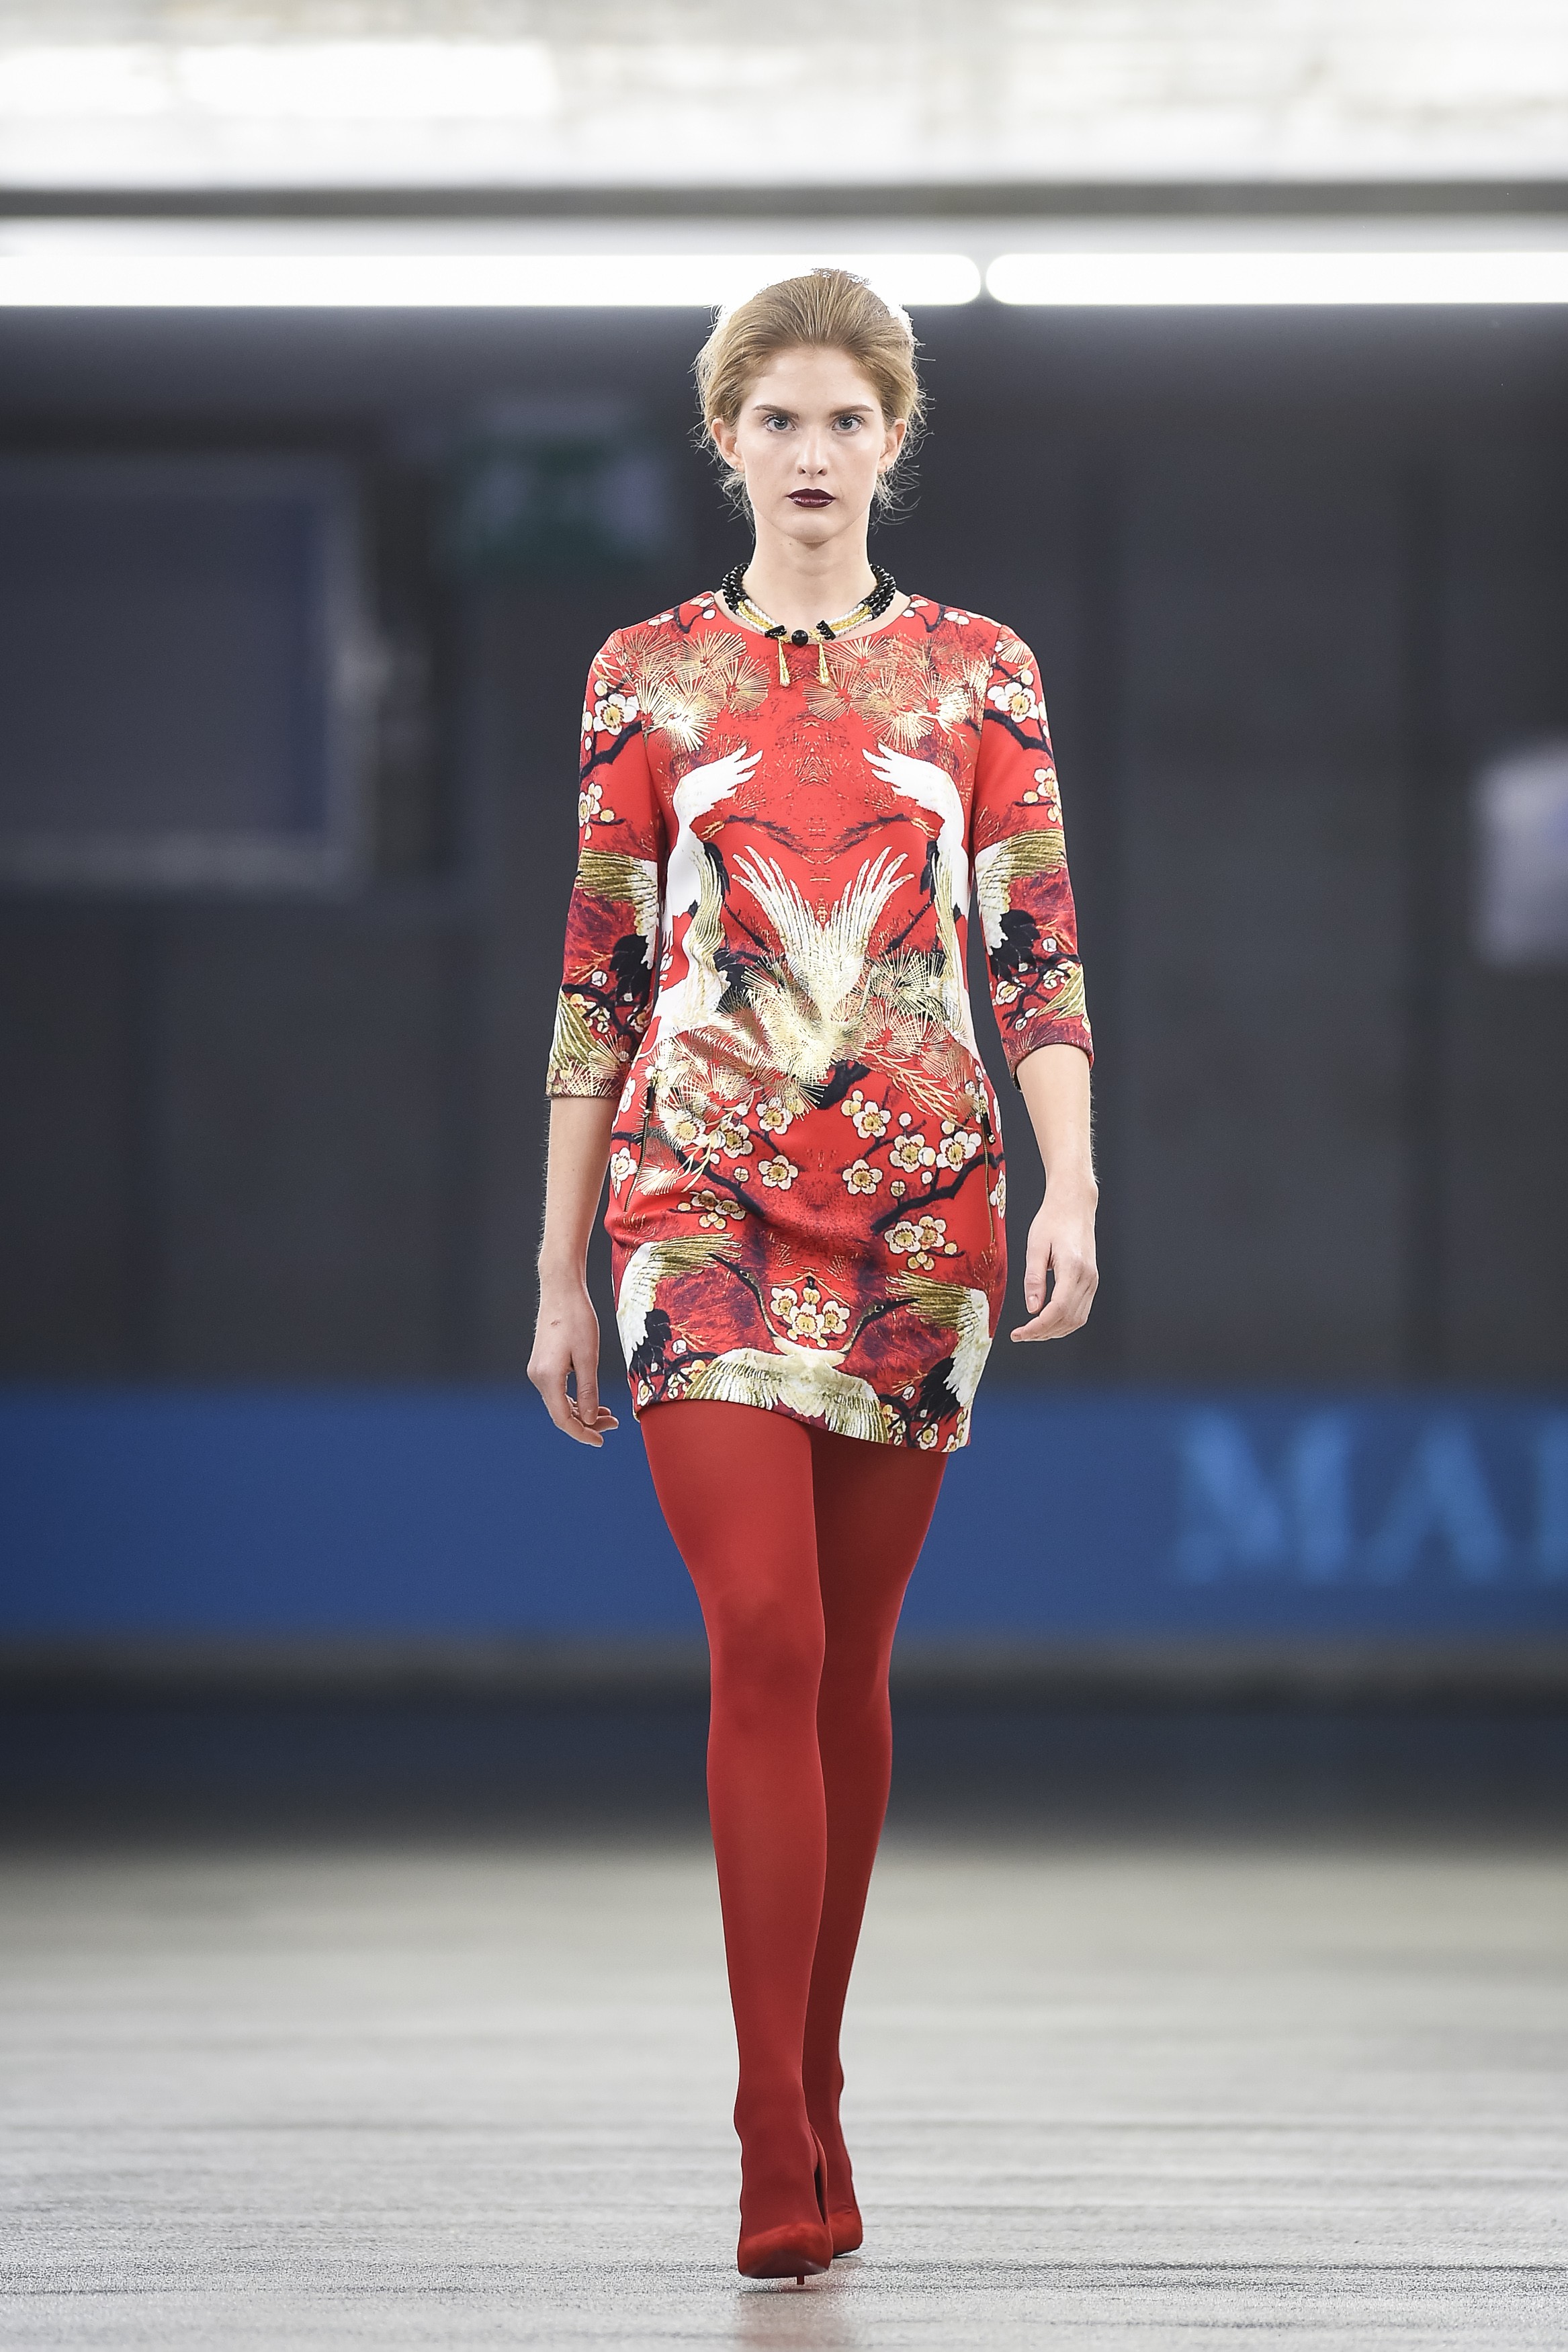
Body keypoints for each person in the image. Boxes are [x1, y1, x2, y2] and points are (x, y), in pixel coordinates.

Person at [529, 267, 1097, 2281]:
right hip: (692, 1198)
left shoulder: (981, 673)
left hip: (923, 1214)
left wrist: (1071, 1182)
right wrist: (561, 1271)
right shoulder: (645, 677)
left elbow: (1036, 942)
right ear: (726, 439)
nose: (813, 453)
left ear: (894, 439)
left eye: (848, 419)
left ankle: (822, 2068)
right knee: (762, 1631)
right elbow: (600, 972)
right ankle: (770, 2120)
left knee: (851, 1667)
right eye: (776, 418)